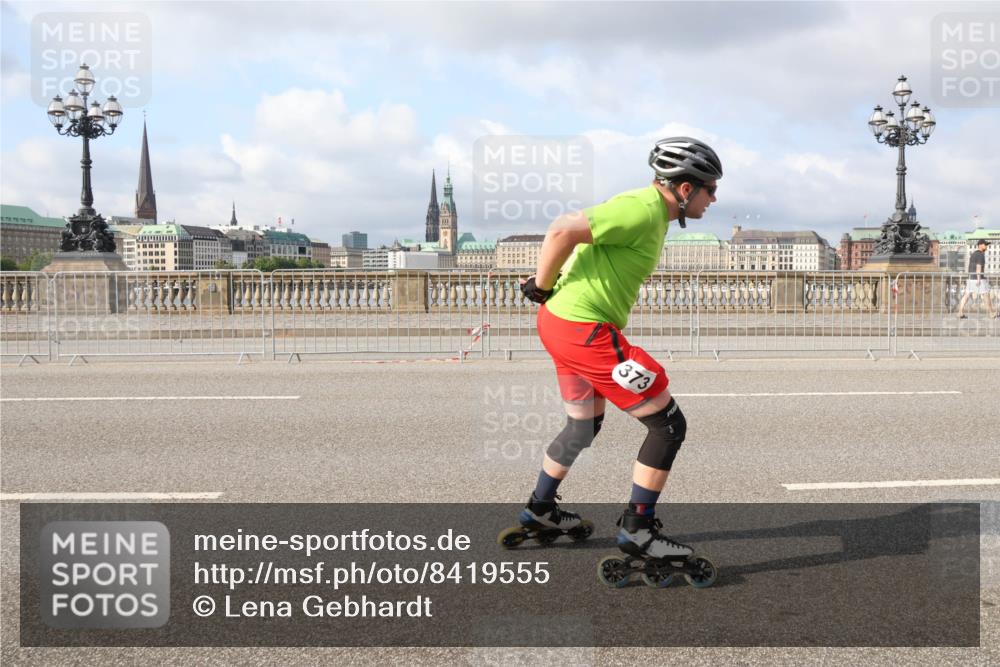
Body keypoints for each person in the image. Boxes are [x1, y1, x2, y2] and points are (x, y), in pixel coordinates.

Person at [515, 137, 722, 560]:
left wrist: (549, 291)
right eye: (710, 188)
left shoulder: (652, 212)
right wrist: (541, 284)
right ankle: (638, 530)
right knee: (667, 425)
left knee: (582, 426)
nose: (713, 198)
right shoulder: (642, 208)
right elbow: (562, 230)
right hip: (584, 330)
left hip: (563, 325)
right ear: (685, 189)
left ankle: (539, 509)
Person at [956, 239, 997, 319]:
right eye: (985, 245)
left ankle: (960, 313)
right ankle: (992, 313)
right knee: (986, 295)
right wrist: (978, 279)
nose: (986, 246)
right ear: (980, 245)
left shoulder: (974, 254)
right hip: (978, 278)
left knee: (966, 295)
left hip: (971, 277)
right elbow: (978, 267)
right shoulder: (980, 255)